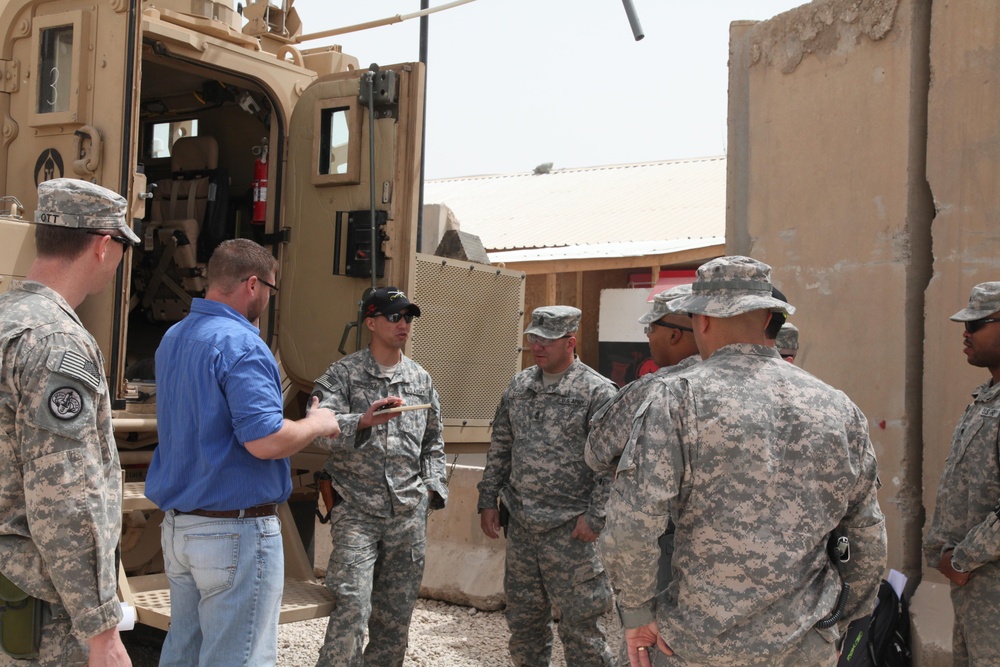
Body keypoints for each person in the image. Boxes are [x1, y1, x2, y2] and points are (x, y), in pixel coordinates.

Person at [599, 256, 886, 667]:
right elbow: (866, 534)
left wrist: (638, 614)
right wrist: (843, 618)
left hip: (699, 646)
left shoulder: (677, 398)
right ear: (771, 316)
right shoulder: (836, 407)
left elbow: (633, 523)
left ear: (702, 320)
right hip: (804, 645)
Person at [146, 238, 342, 667]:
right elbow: (266, 440)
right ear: (253, 284)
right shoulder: (243, 343)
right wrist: (318, 423)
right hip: (234, 534)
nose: (269, 299)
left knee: (183, 654)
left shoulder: (174, 338)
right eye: (271, 289)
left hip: (180, 530)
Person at [0, 178, 137, 665]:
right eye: (123, 245)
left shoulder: (7, 318)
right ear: (103, 246)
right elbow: (66, 497)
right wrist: (102, 630)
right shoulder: (58, 342)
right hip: (39, 609)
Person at [311, 286, 447, 667]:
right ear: (370, 322)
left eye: (408, 317)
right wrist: (363, 420)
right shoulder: (343, 375)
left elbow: (434, 441)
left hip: (408, 514)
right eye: (394, 316)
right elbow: (318, 429)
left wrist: (431, 493)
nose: (403, 324)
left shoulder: (421, 379)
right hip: (357, 510)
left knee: (394, 618)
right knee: (352, 606)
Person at [478, 306, 618, 667]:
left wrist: (595, 517)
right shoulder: (520, 386)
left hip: (570, 530)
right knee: (524, 623)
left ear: (570, 342)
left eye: (547, 341)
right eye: (533, 339)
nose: (537, 347)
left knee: (581, 628)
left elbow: (612, 464)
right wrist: (487, 499)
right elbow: (501, 446)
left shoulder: (597, 392)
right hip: (523, 526)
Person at [924, 281, 1000, 667]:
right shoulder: (986, 397)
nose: (965, 334)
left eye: (978, 324)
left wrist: (961, 560)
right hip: (976, 593)